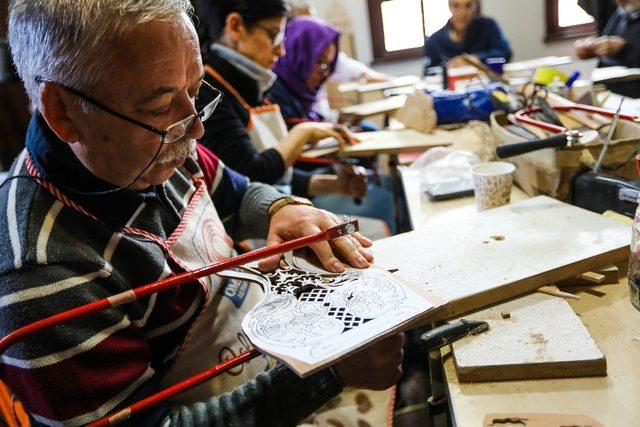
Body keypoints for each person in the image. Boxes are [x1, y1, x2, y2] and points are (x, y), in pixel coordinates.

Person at [1, 0, 405, 425]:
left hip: (267, 355)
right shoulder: (41, 272)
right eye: (159, 107)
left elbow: (237, 192)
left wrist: (280, 208)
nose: (195, 130)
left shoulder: (156, 148)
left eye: (194, 92)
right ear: (63, 112)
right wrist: (328, 377)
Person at [199, 1, 395, 234]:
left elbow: (281, 178)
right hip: (255, 233)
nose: (281, 51)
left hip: (281, 209)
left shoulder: (252, 83)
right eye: (273, 35)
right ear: (236, 26)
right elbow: (251, 178)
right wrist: (303, 133)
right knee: (380, 218)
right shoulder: (210, 93)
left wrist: (336, 185)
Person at [575, 0, 640, 98]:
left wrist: (624, 49)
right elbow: (606, 45)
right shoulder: (621, 14)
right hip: (607, 93)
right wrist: (592, 49)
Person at [423, 0, 512, 69]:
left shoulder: (488, 26)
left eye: (468, 5)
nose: (462, 12)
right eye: (456, 6)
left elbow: (505, 53)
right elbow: (429, 73)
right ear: (449, 6)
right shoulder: (434, 41)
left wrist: (476, 58)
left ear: (475, 5)